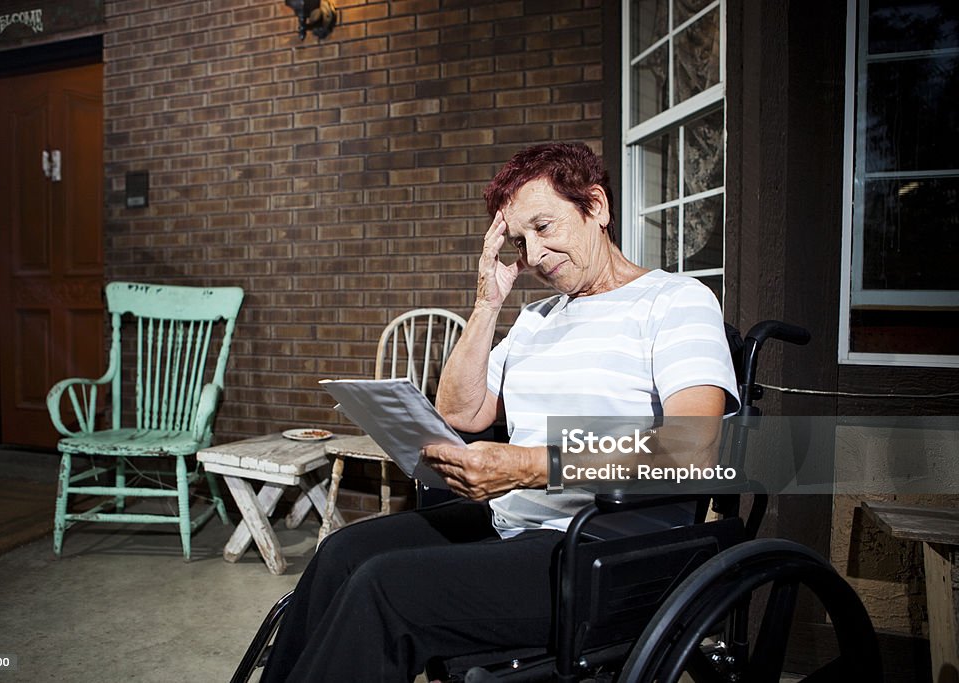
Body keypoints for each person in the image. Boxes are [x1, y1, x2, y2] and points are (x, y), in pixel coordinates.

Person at [262, 142, 739, 682]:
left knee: (385, 588)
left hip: (607, 549)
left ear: (597, 206)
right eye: (519, 240)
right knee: (342, 553)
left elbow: (694, 445)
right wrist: (487, 302)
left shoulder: (676, 301)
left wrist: (530, 466)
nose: (533, 255)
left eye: (544, 227)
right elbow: (460, 411)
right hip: (515, 523)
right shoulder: (537, 318)